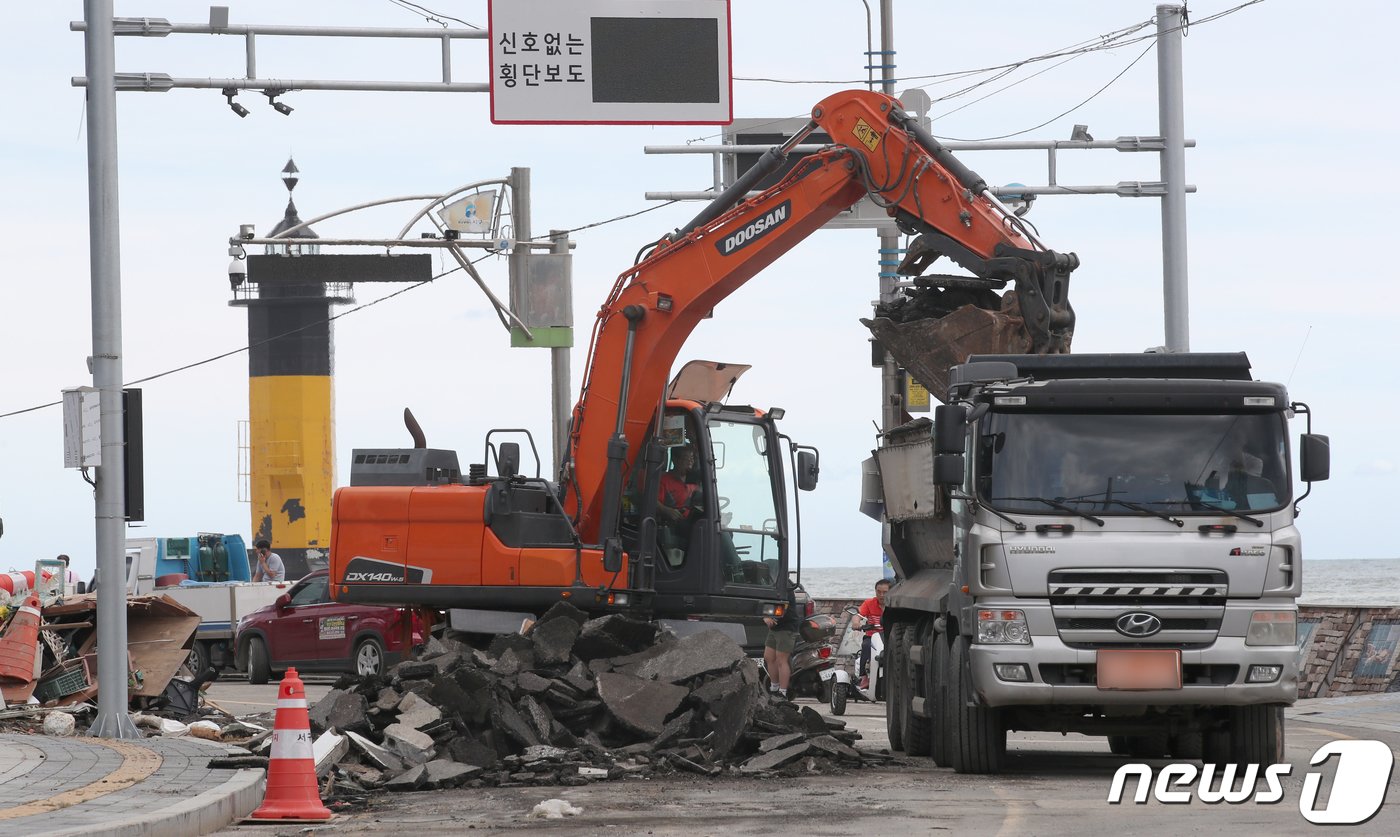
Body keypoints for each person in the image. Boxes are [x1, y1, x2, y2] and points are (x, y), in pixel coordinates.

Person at [763, 579, 801, 699]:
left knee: (781, 660)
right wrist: (766, 616)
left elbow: (783, 605)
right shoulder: (770, 583)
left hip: (787, 627)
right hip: (775, 628)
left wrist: (772, 617)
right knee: (769, 657)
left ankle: (783, 692)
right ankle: (774, 687)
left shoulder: (785, 584)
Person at [856, 578, 891, 689]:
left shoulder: (894, 605)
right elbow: (858, 616)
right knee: (866, 646)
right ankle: (863, 676)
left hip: (889, 637)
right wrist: (856, 623)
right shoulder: (869, 603)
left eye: (885, 592)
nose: (881, 595)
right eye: (878, 592)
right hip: (872, 636)